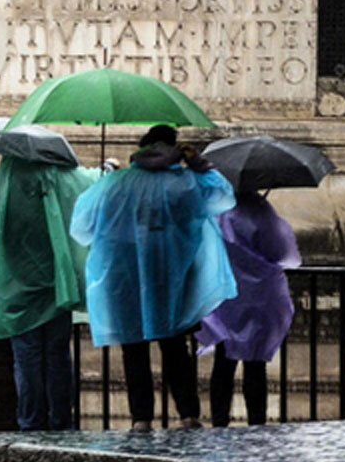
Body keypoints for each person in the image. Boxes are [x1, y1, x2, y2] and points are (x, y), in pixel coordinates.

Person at [69, 124, 236, 432]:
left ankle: (141, 418)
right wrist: (200, 165)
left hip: (125, 279)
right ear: (174, 148)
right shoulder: (185, 183)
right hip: (174, 278)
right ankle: (188, 414)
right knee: (175, 349)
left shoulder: (116, 184)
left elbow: (81, 227)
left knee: (134, 349)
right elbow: (224, 198)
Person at [0, 152, 104, 431]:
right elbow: (96, 185)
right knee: (57, 355)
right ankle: (62, 420)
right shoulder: (67, 179)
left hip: (14, 287)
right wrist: (107, 167)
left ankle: (31, 421)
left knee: (26, 357)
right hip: (57, 285)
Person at [196, 190, 302, 427]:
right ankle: (257, 423)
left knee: (223, 363)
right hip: (259, 296)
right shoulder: (259, 210)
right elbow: (280, 250)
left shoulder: (215, 209)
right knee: (255, 365)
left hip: (226, 296)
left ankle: (219, 423)